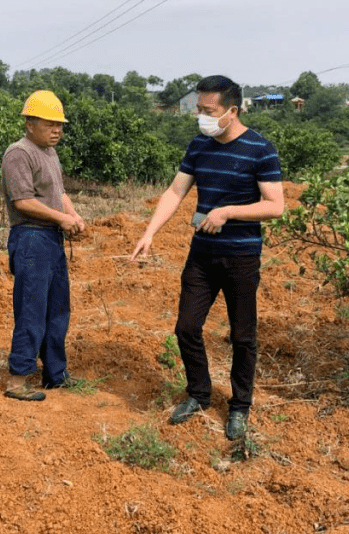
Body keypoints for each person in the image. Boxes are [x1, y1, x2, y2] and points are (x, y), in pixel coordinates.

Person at [130, 75, 284, 439]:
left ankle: (240, 406)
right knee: (186, 326)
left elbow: (275, 206)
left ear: (232, 110)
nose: (202, 116)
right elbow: (175, 191)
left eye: (208, 110)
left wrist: (227, 211)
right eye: (199, 109)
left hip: (241, 257)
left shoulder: (261, 149)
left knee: (243, 335)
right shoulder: (200, 145)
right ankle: (199, 393)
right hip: (202, 255)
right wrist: (149, 233)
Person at [0, 90, 86, 401]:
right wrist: (60, 219)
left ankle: (55, 374)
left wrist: (72, 215)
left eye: (60, 125)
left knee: (58, 309)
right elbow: (23, 202)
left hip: (51, 239)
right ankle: (18, 379)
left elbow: (59, 193)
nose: (57, 130)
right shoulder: (19, 154)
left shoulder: (49, 152)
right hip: (31, 238)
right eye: (50, 124)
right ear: (30, 123)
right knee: (31, 311)